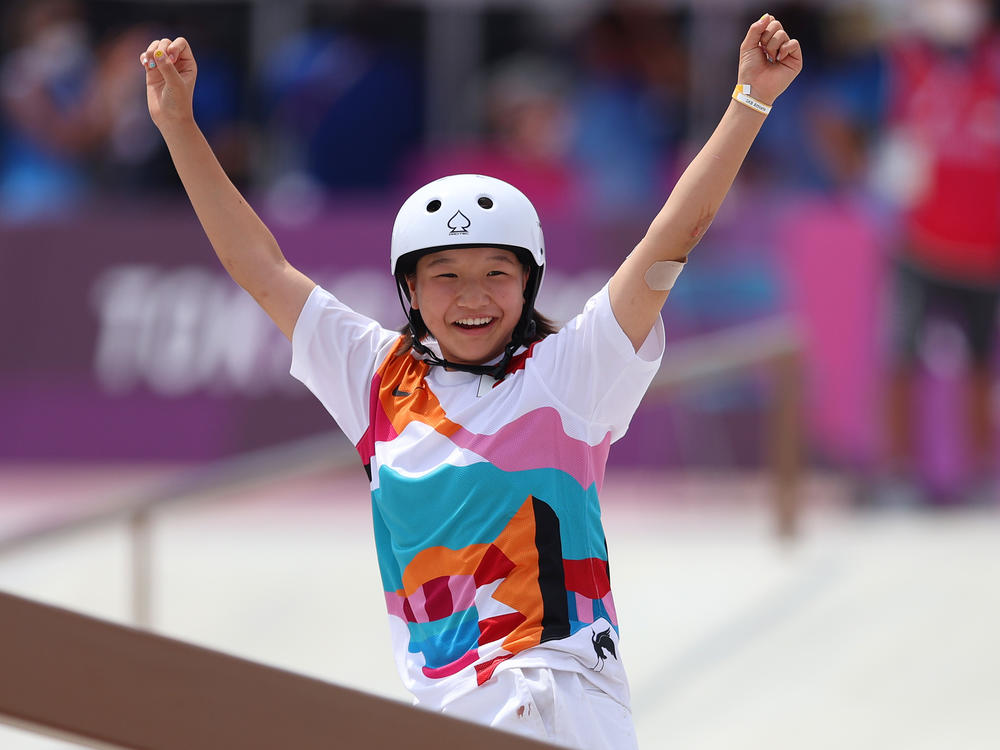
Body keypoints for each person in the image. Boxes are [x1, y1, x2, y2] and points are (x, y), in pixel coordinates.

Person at [140, 13, 800, 748]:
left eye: (496, 274)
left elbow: (672, 236)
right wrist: (178, 126)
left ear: (529, 286)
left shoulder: (571, 373)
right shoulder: (372, 376)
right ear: (411, 293)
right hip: (449, 713)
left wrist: (750, 100)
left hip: (566, 701)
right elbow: (261, 269)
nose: (473, 296)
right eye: (446, 277)